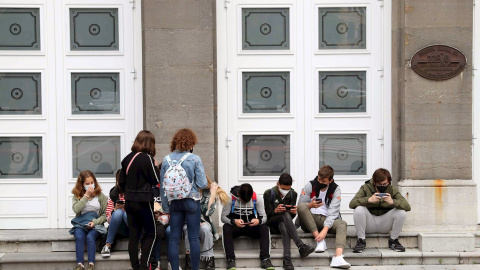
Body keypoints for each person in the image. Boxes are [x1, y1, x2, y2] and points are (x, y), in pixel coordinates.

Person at [160, 128, 208, 270]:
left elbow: (163, 188)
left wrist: (166, 208)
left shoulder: (166, 160)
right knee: (193, 238)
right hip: (191, 201)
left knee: (174, 239)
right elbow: (202, 183)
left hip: (174, 202)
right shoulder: (195, 159)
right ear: (191, 143)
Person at [119, 130, 161, 270]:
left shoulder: (126, 158)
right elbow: (155, 180)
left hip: (130, 201)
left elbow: (121, 183)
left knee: (134, 235)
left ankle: (135, 267)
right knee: (151, 233)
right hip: (143, 201)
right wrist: (155, 165)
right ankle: (144, 266)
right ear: (149, 143)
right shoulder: (147, 158)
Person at [296, 165, 351, 269]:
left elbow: (333, 212)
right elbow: (300, 205)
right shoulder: (310, 185)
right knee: (303, 206)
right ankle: (320, 241)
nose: (320, 182)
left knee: (342, 223)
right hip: (310, 219)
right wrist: (310, 205)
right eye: (319, 179)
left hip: (327, 219)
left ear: (330, 180)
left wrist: (325, 229)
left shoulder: (335, 189)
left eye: (323, 181)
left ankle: (338, 258)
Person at [349, 168, 411, 253]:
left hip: (385, 224)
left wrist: (392, 201)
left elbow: (407, 206)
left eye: (385, 184)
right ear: (374, 182)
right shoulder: (365, 188)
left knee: (401, 212)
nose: (382, 186)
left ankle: (393, 240)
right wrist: (368, 200)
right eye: (379, 184)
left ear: (389, 182)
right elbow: (352, 204)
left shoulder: (392, 189)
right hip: (369, 224)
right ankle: (361, 241)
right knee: (359, 209)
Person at [263, 173, 315, 270]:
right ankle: (300, 246)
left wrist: (294, 213)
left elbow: (290, 217)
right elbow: (266, 215)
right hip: (271, 224)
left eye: (288, 189)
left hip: (284, 224)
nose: (286, 191)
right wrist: (275, 210)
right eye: (284, 188)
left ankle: (287, 259)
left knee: (284, 222)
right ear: (278, 184)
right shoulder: (269, 193)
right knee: (284, 216)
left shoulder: (292, 194)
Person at [221, 183, 274, 270]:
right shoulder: (230, 198)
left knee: (265, 228)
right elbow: (223, 217)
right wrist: (234, 221)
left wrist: (258, 221)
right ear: (238, 194)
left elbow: (264, 217)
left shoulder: (256, 198)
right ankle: (230, 259)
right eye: (242, 200)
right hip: (236, 227)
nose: (245, 202)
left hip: (251, 227)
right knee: (226, 227)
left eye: (247, 201)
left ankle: (265, 259)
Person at [183, 176, 229, 270]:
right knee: (188, 228)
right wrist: (194, 221)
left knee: (205, 229)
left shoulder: (208, 193)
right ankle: (189, 258)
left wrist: (212, 195)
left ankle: (209, 258)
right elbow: (185, 210)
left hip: (204, 222)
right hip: (188, 221)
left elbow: (207, 213)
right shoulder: (188, 192)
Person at [71, 170, 108, 270]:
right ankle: (80, 264)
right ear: (82, 184)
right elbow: (76, 209)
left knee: (90, 237)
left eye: (92, 182)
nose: (90, 185)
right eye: (87, 184)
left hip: (96, 224)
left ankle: (91, 264)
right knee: (79, 236)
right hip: (81, 223)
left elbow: (105, 215)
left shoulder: (101, 196)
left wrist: (95, 222)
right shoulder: (77, 195)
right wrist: (86, 196)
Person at [101, 170, 129, 258]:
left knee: (125, 214)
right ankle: (107, 245)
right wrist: (115, 209)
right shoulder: (114, 194)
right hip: (118, 228)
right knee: (118, 213)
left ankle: (140, 245)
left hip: (132, 226)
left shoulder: (134, 193)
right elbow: (108, 219)